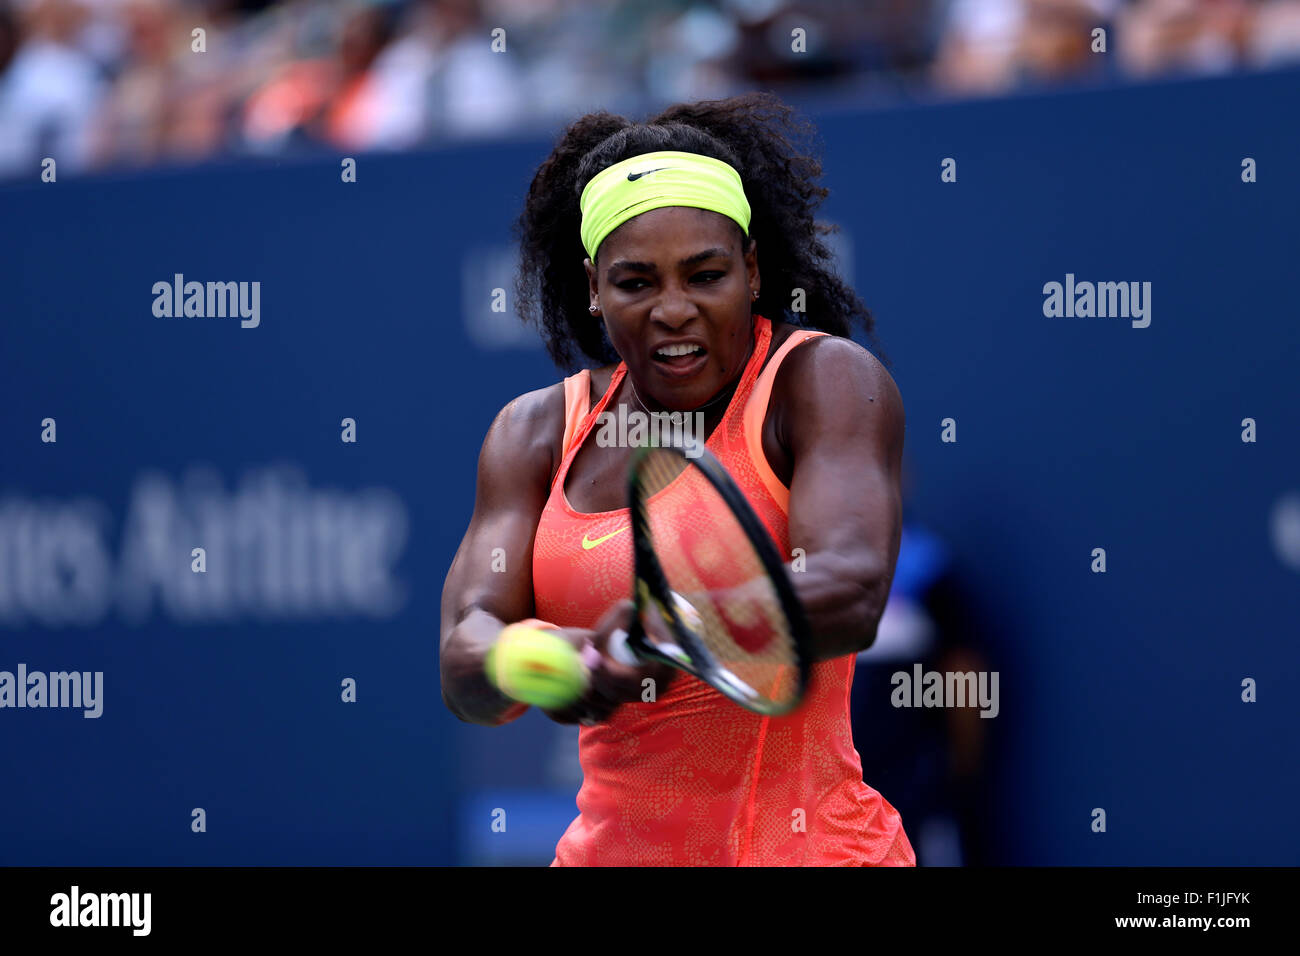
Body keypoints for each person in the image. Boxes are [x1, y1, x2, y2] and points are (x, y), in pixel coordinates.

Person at [440, 92, 914, 866]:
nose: (674, 310)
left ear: (752, 271)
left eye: (705, 275)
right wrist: (539, 657)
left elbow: (851, 590)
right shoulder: (531, 432)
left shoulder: (822, 381)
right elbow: (464, 662)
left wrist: (664, 631)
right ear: (593, 287)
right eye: (636, 283)